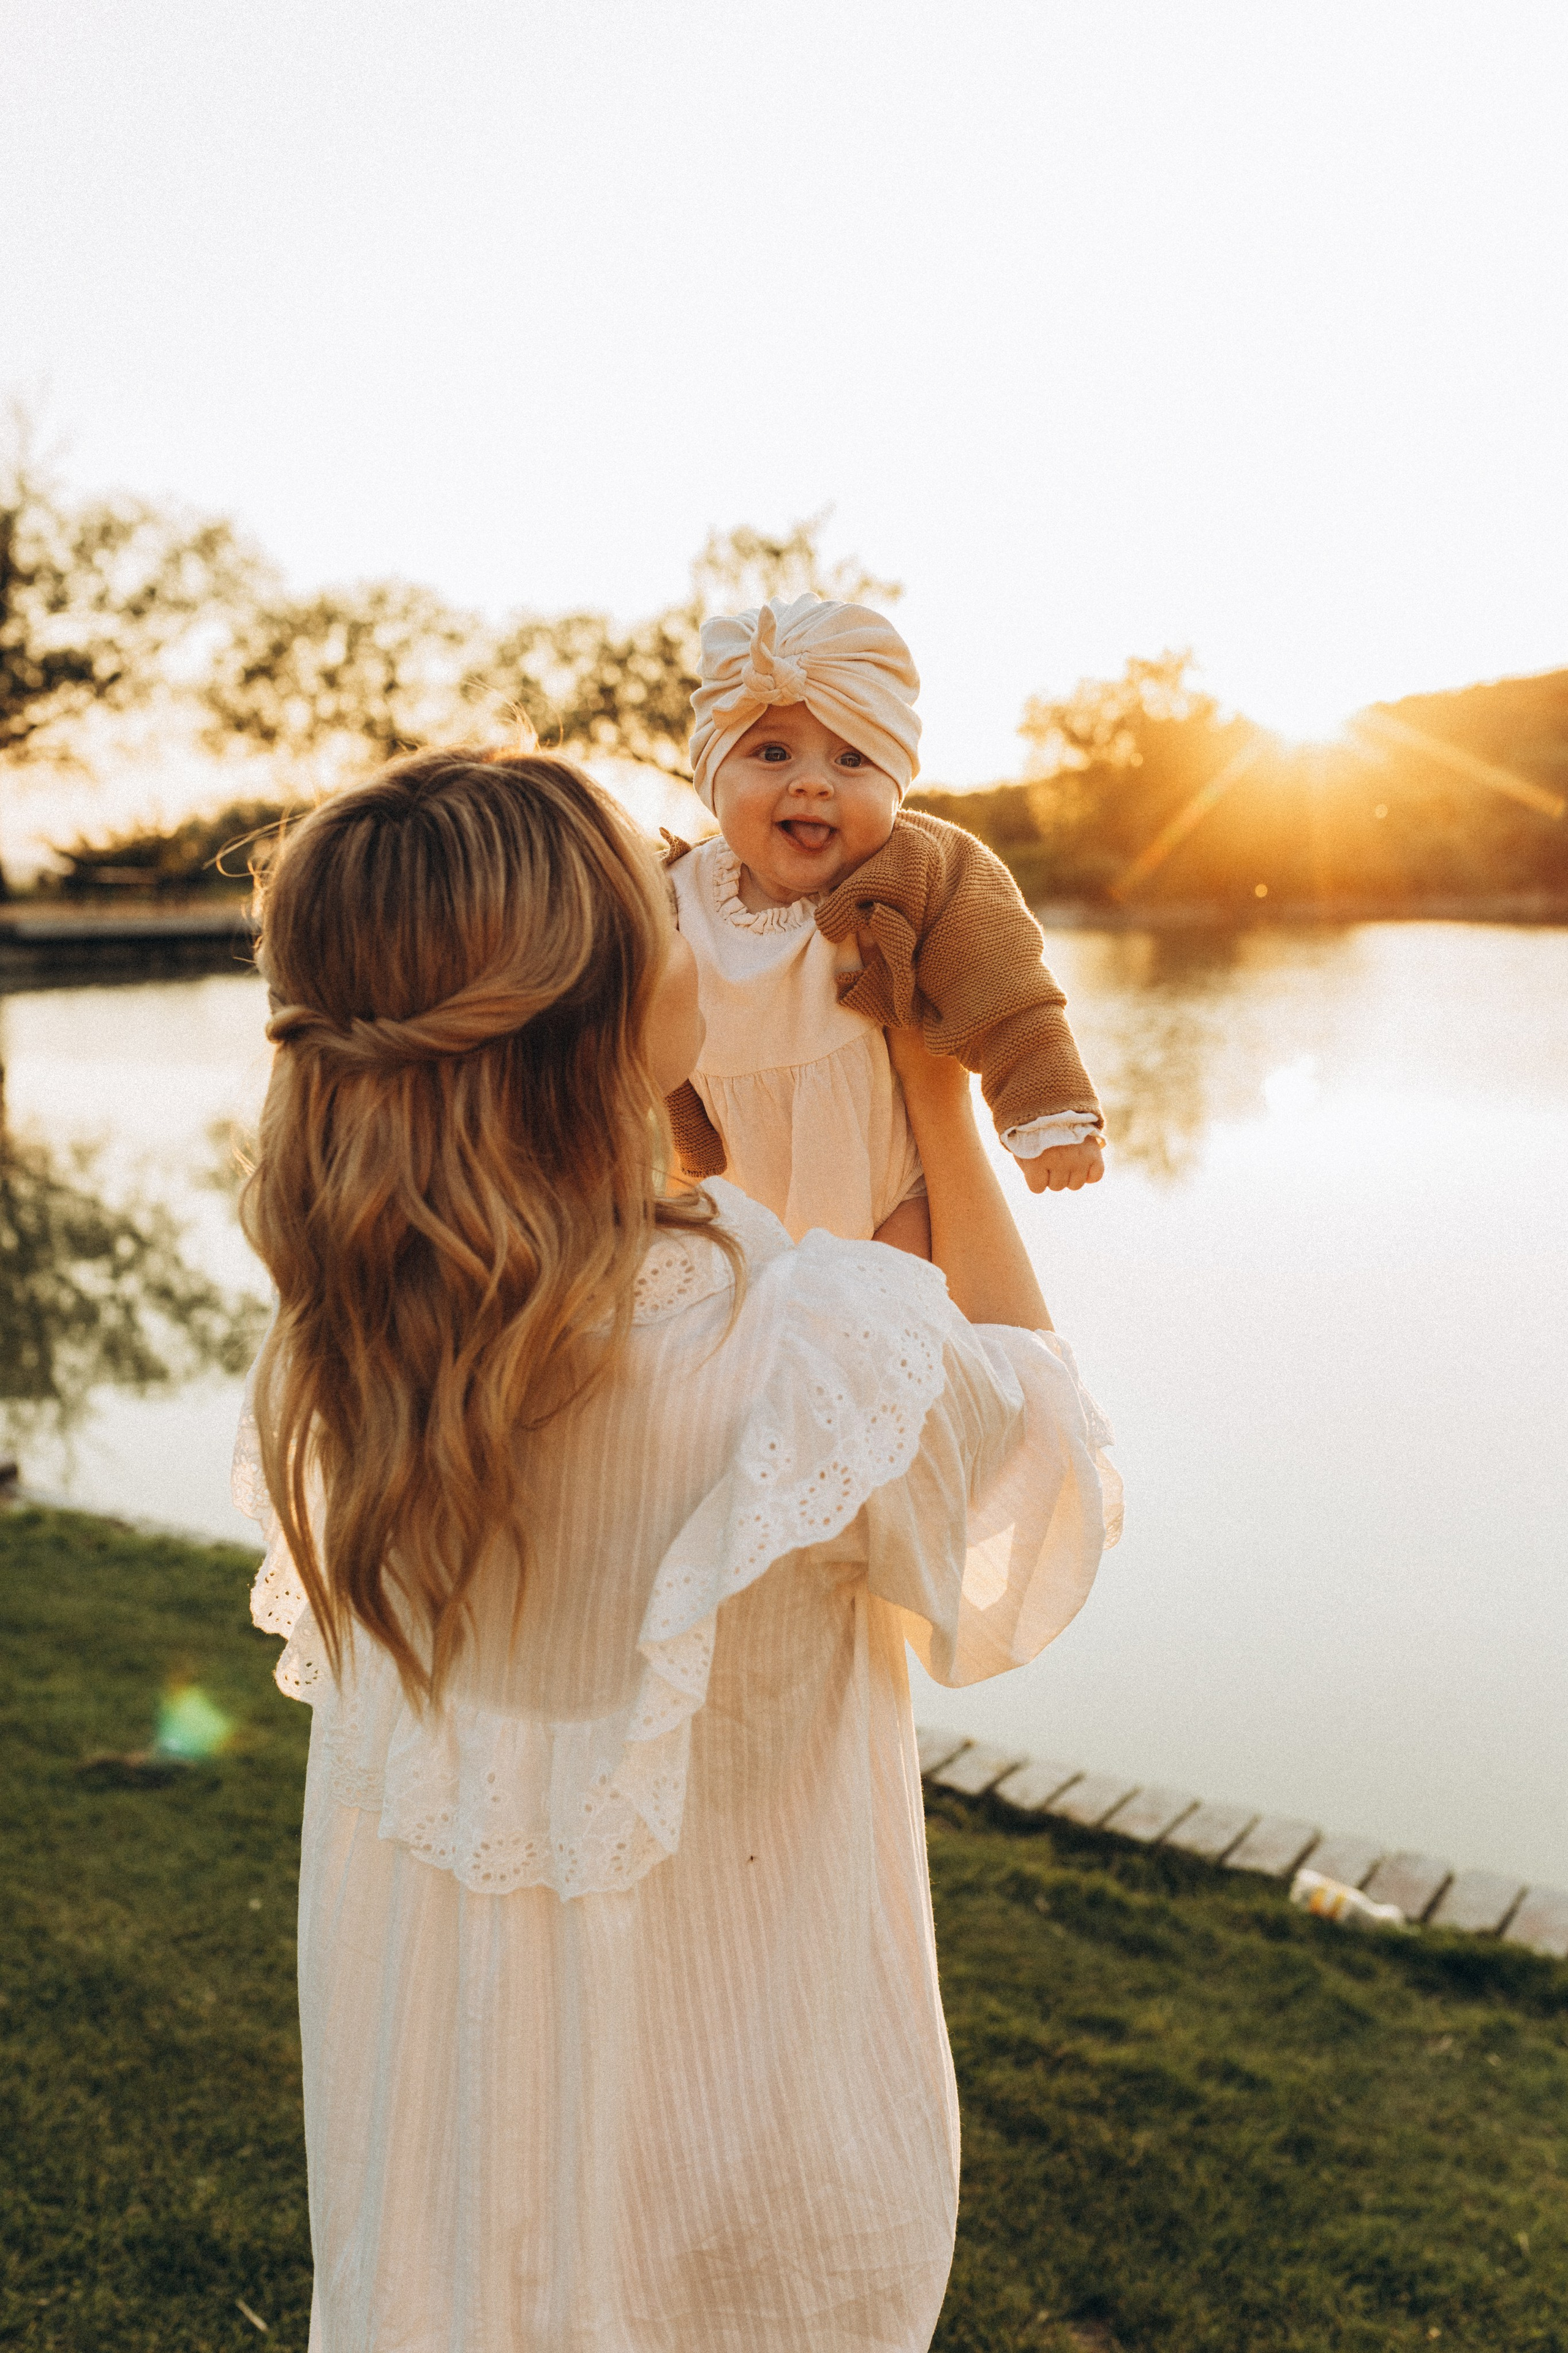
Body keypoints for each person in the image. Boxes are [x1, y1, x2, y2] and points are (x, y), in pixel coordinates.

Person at [235, 747, 1120, 2352]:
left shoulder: (344, 1351)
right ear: (598, 999)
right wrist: (934, 1089)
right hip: (735, 2189)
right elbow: (1046, 1469)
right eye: (655, 889)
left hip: (446, 2213)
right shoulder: (796, 1346)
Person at [665, 591, 1105, 1252]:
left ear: (896, 788)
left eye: (850, 760)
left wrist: (1046, 1106)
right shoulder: (671, 896)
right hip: (735, 1200)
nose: (813, 783)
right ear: (712, 774)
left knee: (890, 1319)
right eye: (773, 754)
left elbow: (1001, 981)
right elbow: (629, 1034)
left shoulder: (915, 871)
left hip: (890, 1197)